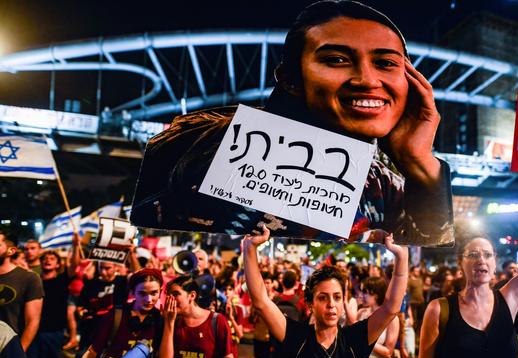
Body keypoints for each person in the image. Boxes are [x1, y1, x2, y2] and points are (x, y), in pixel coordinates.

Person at [131, 0, 454, 247]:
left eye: (385, 63)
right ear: (290, 80)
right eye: (336, 60)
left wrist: (421, 167)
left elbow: (424, 255)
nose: (368, 80)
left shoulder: (386, 181)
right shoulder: (210, 144)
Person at [418, 162, 518, 358]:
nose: (481, 259)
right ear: (460, 264)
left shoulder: (510, 299)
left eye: (487, 255)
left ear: (494, 264)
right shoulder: (439, 309)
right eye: (473, 254)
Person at [244, 225, 408, 358]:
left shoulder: (354, 340)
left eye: (337, 297)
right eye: (323, 297)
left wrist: (401, 258)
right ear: (310, 304)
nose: (331, 304)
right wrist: (250, 248)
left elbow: (391, 308)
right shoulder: (297, 337)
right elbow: (261, 302)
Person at [80, 268, 163, 358]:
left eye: (154, 293)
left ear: (160, 292)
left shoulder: (160, 319)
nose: (149, 299)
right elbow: (93, 350)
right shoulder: (116, 315)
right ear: (132, 292)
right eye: (142, 293)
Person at [160, 275, 236, 358]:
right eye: (168, 295)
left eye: (176, 294)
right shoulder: (173, 322)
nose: (170, 299)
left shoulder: (217, 320)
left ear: (192, 296)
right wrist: (169, 322)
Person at [27, 242, 81, 358]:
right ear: (40, 263)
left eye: (52, 259)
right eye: (45, 259)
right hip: (34, 330)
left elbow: (75, 264)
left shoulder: (62, 279)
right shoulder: (34, 281)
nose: (48, 260)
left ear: (58, 264)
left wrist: (76, 245)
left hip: (54, 331)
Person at [0, 232, 44, 352]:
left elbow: (32, 321)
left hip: (8, 349)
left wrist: (18, 352)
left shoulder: (29, 278)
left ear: (11, 251)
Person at [357, 276, 400, 358]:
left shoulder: (391, 318)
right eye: (361, 291)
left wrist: (365, 340)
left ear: (376, 294)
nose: (361, 295)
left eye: (365, 292)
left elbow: (388, 352)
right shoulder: (361, 312)